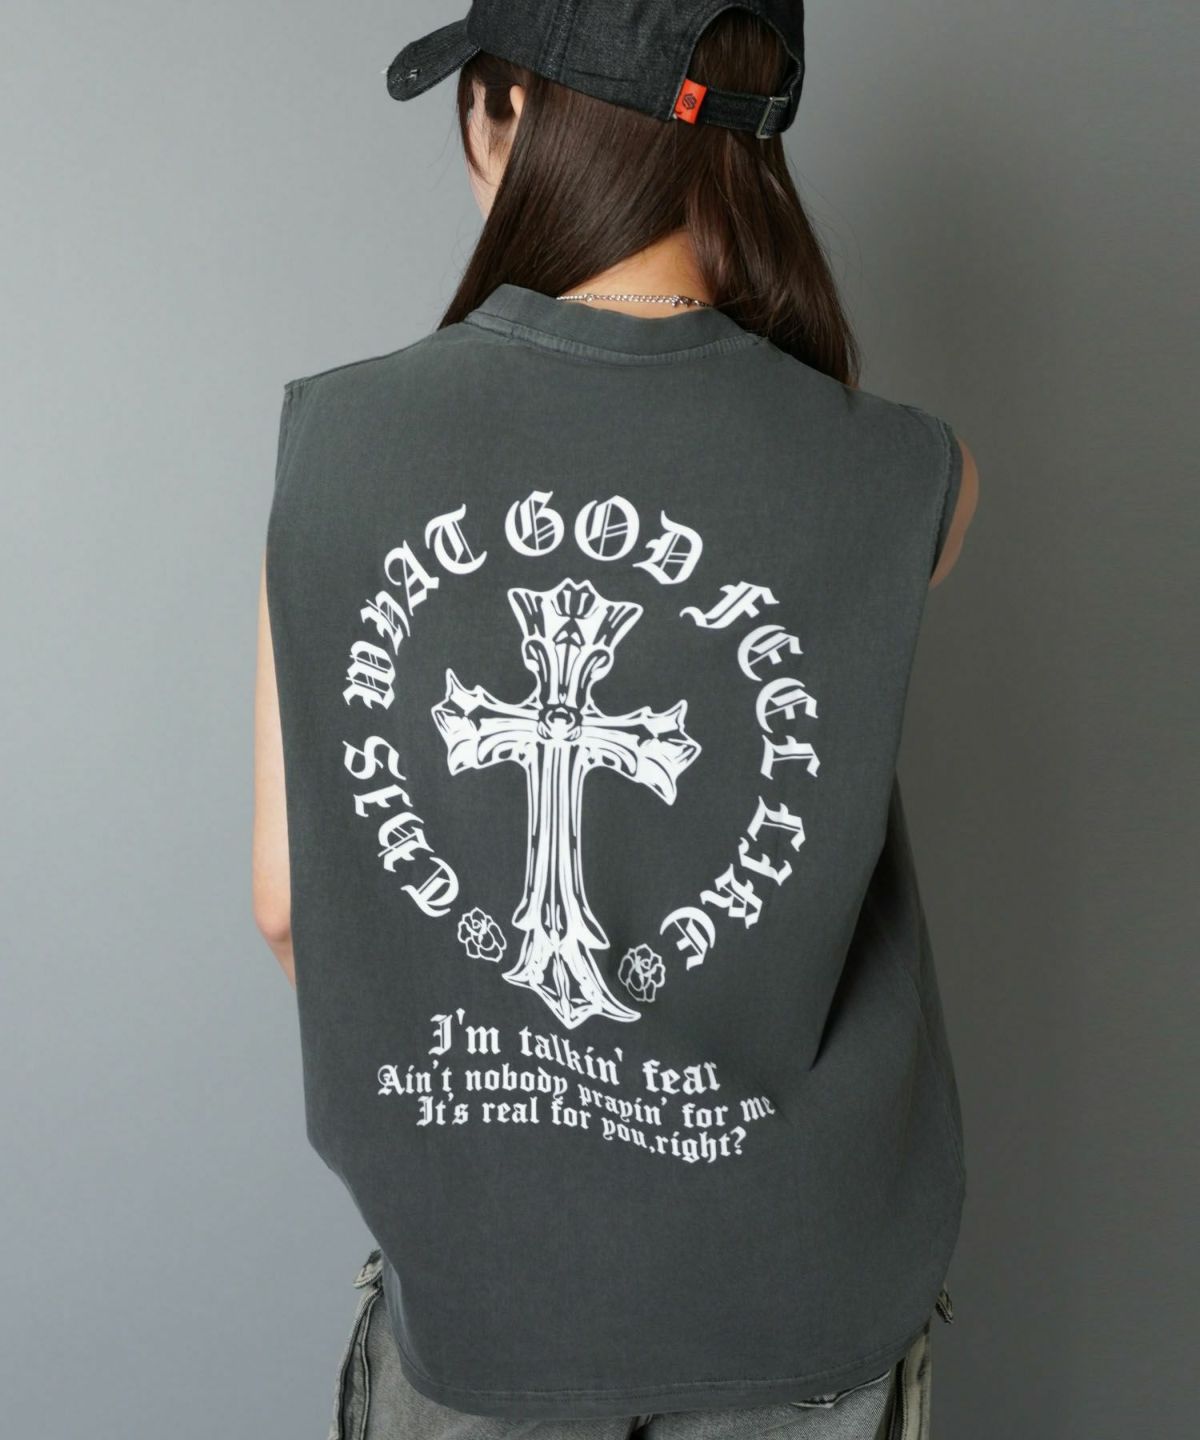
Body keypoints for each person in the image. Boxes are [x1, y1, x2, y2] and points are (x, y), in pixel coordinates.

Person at [252, 3, 979, 1437]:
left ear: (511, 110)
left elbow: (288, 901)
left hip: (484, 1301)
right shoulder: (910, 472)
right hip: (803, 1303)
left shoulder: (336, 444)